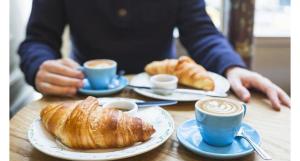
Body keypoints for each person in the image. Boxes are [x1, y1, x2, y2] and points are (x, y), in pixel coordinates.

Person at [18, 0, 290, 111]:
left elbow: (201, 31)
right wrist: (40, 65)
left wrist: (232, 67)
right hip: (86, 98)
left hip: (165, 100)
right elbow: (38, 40)